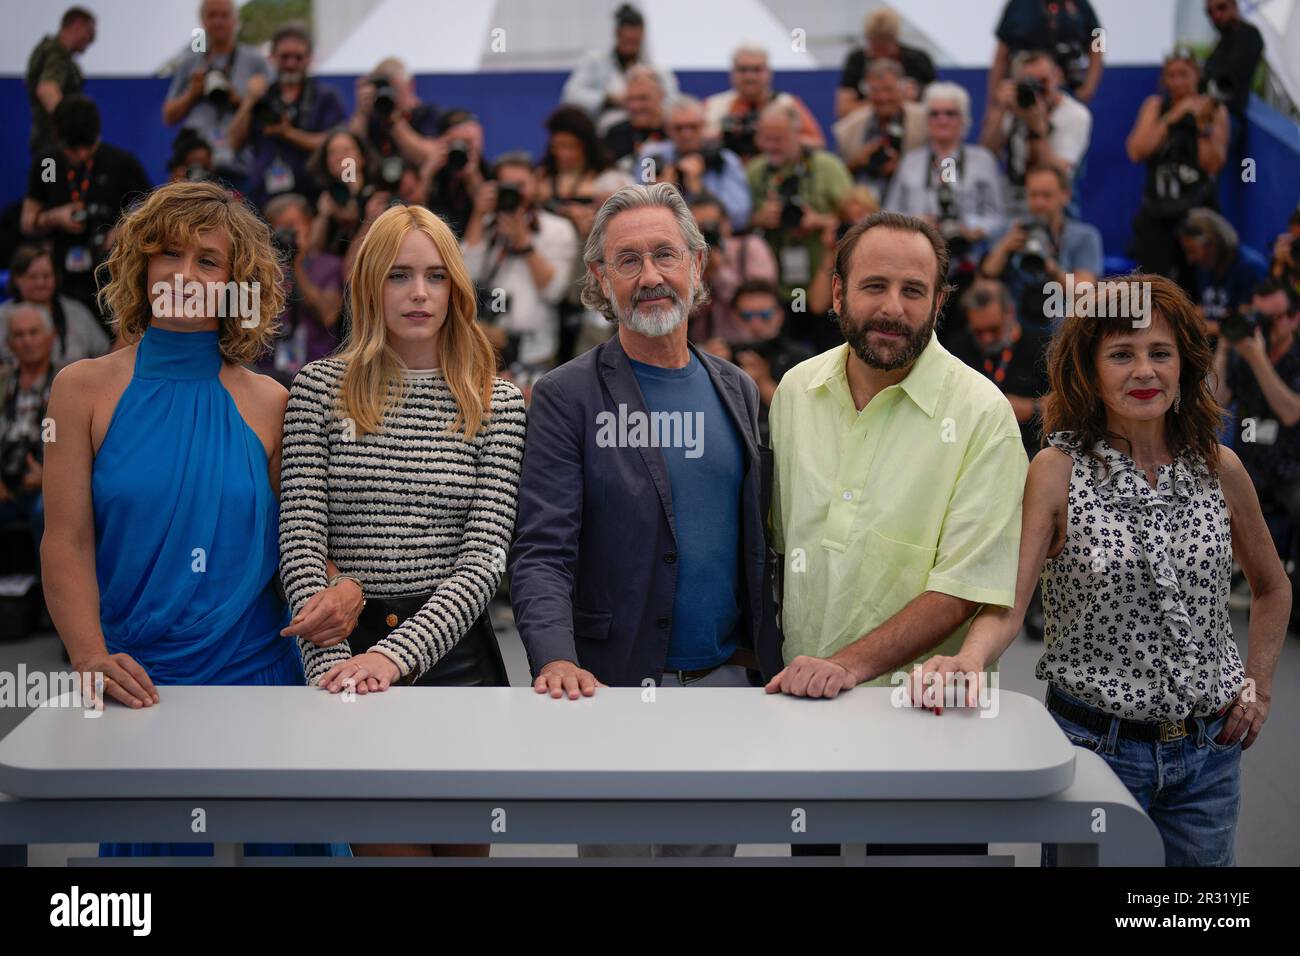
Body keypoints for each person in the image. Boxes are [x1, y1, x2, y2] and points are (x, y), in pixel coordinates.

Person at [915, 274, 1289, 867]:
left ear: (1186, 365)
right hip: (1094, 752)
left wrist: (1259, 687)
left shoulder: (1222, 466)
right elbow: (1010, 605)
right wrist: (967, 660)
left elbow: (1272, 587)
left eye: (1160, 353)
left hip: (1209, 758)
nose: (1145, 371)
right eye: (1121, 354)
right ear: (1087, 371)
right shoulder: (1055, 469)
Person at [39, 179, 345, 858]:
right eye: (167, 254)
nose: (183, 274)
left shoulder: (271, 399)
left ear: (239, 282)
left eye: (208, 260)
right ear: (140, 266)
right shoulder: (79, 389)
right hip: (140, 683)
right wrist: (89, 655)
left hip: (262, 676)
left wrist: (342, 586)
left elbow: (293, 543)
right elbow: (66, 539)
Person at [508, 183, 779, 858]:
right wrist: (557, 659)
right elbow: (541, 551)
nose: (651, 276)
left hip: (723, 688)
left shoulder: (737, 388)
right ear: (601, 278)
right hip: (613, 690)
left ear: (698, 264)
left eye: (665, 254)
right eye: (628, 260)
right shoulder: (567, 395)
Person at [279, 203, 524, 857]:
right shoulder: (316, 390)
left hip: (458, 666)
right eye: (398, 275)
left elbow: (484, 560)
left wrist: (392, 658)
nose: (419, 294)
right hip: (344, 659)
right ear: (368, 285)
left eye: (436, 276)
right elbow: (302, 536)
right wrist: (335, 668)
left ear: (457, 289)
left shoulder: (494, 400)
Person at [1213, 279, 1300, 628]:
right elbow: (1214, 404)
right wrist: (1222, 349)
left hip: (1290, 468)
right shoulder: (1240, 355)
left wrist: (1259, 359)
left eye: (1275, 318)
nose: (1266, 326)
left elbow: (1291, 412)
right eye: (1259, 317)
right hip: (1247, 468)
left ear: (1293, 318)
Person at [21, 95, 151, 321]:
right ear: (59, 139)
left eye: (88, 147)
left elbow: (150, 211)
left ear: (97, 137)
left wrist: (124, 228)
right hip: (60, 278)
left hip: (111, 275)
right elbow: (28, 222)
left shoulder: (120, 162)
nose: (81, 155)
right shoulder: (48, 164)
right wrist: (54, 217)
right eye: (73, 149)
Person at [461, 153, 579, 378]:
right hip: (486, 351)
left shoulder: (557, 229)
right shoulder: (486, 226)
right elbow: (465, 276)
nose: (514, 193)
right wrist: (478, 214)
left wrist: (523, 242)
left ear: (535, 183)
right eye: (507, 186)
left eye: (520, 185)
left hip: (535, 355)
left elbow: (554, 291)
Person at [1125, 49, 1228, 284]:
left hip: (1196, 210)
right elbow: (1136, 150)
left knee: (1193, 283)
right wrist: (1175, 115)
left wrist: (1202, 125)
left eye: (1184, 74)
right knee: (1153, 284)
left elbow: (1212, 164)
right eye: (1171, 75)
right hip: (1157, 211)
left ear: (1197, 76)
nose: (1177, 81)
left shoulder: (1214, 109)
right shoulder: (1155, 106)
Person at [230, 21, 347, 210]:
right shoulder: (262, 95)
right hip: (263, 201)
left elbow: (335, 143)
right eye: (284, 57)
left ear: (309, 58)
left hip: (312, 200)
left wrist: (288, 133)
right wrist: (249, 100)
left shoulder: (325, 96)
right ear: (272, 57)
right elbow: (234, 142)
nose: (291, 63)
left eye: (298, 57)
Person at [160, 0, 271, 193]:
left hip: (238, 161)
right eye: (212, 16)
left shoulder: (255, 60)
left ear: (236, 20)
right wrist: (192, 93)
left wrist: (238, 100)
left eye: (224, 15)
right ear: (202, 21)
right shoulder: (192, 60)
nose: (218, 22)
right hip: (195, 160)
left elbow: (268, 113)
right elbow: (169, 116)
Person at [747, 102, 852, 305]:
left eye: (778, 139)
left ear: (798, 134)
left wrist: (819, 220)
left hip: (825, 282)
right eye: (765, 138)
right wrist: (758, 218)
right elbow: (735, 227)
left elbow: (859, 220)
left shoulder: (827, 167)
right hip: (775, 286)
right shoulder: (755, 172)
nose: (770, 146)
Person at [885, 83, 1007, 257]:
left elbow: (997, 216)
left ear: (963, 119)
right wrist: (915, 223)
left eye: (950, 114)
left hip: (970, 256)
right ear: (926, 119)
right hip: (917, 254)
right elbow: (890, 212)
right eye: (934, 114)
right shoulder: (910, 162)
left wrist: (971, 228)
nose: (942, 120)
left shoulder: (982, 160)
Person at [978, 164, 1101, 330]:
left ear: (1066, 196)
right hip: (1016, 330)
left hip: (1063, 328)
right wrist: (1005, 248)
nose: (1039, 203)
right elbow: (985, 277)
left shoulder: (1084, 237)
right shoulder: (1010, 231)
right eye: (1033, 195)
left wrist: (1050, 267)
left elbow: (1085, 292)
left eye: (1046, 195)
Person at [980, 49, 1092, 214]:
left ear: (1058, 76)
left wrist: (1037, 127)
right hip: (1012, 196)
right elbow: (987, 151)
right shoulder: (1015, 105)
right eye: (1029, 82)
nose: (1036, 90)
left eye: (1043, 81)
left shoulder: (1075, 115)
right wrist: (1000, 109)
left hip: (1055, 200)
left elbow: (1057, 174)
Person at [950, 278, 1050, 459]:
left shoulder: (1043, 345)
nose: (987, 339)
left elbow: (1067, 403)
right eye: (978, 332)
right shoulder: (957, 349)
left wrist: (1031, 409)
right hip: (973, 448)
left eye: (994, 329)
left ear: (1010, 312)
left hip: (1031, 449)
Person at [259, 193, 344, 383]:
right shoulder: (260, 271)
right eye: (279, 229)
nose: (287, 234)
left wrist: (296, 263)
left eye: (292, 226)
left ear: (309, 224)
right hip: (268, 373)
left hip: (318, 374)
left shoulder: (329, 265)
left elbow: (328, 315)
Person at [561, 2, 678, 133]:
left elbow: (673, 104)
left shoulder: (656, 71)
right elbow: (571, 96)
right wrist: (608, 99)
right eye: (627, 41)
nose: (631, 47)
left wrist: (652, 99)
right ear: (617, 35)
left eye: (636, 41)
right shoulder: (594, 62)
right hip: (605, 132)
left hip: (646, 133)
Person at [639, 96, 751, 231]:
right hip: (661, 233)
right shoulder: (650, 158)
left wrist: (699, 189)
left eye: (693, 127)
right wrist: (661, 191)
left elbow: (740, 215)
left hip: (712, 237)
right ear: (667, 129)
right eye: (679, 128)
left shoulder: (725, 159)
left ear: (704, 126)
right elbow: (636, 206)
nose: (686, 134)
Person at [706, 44, 825, 164]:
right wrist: (726, 135)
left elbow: (817, 144)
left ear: (768, 72)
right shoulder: (714, 105)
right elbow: (695, 142)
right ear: (732, 73)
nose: (749, 77)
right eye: (743, 70)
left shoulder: (787, 103)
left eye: (756, 69)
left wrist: (777, 138)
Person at [0, 306, 56, 557]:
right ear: (9, 344)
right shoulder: (3, 383)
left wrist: (49, 476)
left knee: (47, 510)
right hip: (6, 479)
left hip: (50, 482)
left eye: (34, 332)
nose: (27, 341)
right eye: (19, 335)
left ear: (50, 337)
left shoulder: (68, 381)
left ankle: (49, 595)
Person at [728, 279, 813, 444]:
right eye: (746, 316)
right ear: (733, 317)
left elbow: (809, 415)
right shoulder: (721, 357)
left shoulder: (800, 357)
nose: (755, 324)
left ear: (779, 315)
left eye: (765, 315)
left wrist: (763, 383)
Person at [687, 192, 777, 345]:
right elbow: (689, 312)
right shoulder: (688, 260)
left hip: (752, 342)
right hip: (709, 347)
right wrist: (704, 274)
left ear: (726, 223)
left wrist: (718, 269)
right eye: (698, 228)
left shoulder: (751, 248)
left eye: (711, 225)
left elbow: (760, 300)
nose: (705, 234)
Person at [833, 59, 927, 203]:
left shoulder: (925, 122)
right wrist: (857, 162)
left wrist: (902, 168)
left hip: (915, 205)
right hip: (865, 209)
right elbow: (835, 179)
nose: (883, 97)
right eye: (876, 90)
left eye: (889, 89)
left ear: (902, 88)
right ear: (867, 92)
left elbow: (943, 169)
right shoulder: (848, 129)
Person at [0, 245, 110, 365]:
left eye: (46, 276)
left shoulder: (77, 312)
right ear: (16, 279)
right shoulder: (2, 316)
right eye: (32, 277)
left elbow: (105, 356)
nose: (40, 283)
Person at [989, 0, 1104, 104]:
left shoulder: (1080, 5)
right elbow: (1001, 54)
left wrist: (1089, 86)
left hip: (1065, 94)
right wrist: (994, 99)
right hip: (1022, 95)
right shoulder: (1018, 5)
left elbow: (1098, 37)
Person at [1179, 207, 1267, 337]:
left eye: (1192, 250)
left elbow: (1244, 325)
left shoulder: (1250, 267)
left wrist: (1198, 328)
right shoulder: (1205, 266)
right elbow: (1202, 310)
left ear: (1212, 244)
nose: (1190, 259)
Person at [346, 57, 440, 176]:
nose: (391, 94)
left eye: (394, 88)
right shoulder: (371, 119)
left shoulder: (427, 114)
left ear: (410, 85)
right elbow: (348, 156)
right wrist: (361, 112)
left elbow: (427, 156)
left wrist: (393, 119)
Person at [836, 7, 937, 116]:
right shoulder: (857, 60)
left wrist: (916, 96)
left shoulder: (917, 60)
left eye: (884, 48)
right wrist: (892, 99)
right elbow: (843, 110)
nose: (880, 55)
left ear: (895, 40)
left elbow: (937, 105)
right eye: (875, 47)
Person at [24, 6, 96, 156]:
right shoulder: (57, 52)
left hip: (49, 144)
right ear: (77, 25)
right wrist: (71, 129)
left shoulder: (46, 50)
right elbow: (47, 89)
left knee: (49, 178)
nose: (92, 40)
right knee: (49, 179)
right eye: (90, 33)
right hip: (53, 146)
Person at [306, 130, 371, 259]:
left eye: (346, 150)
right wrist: (323, 216)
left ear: (362, 157)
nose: (340, 157)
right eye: (333, 152)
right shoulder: (323, 197)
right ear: (327, 163)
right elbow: (312, 252)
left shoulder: (377, 192)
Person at [1203, 0, 1264, 125]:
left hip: (1226, 118)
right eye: (1210, 12)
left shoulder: (1248, 34)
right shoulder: (1221, 43)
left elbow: (1230, 75)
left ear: (1234, 6)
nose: (1216, 15)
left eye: (1222, 8)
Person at [602, 65, 668, 166]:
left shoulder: (676, 132)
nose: (635, 106)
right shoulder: (615, 135)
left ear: (661, 96)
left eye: (643, 98)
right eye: (630, 99)